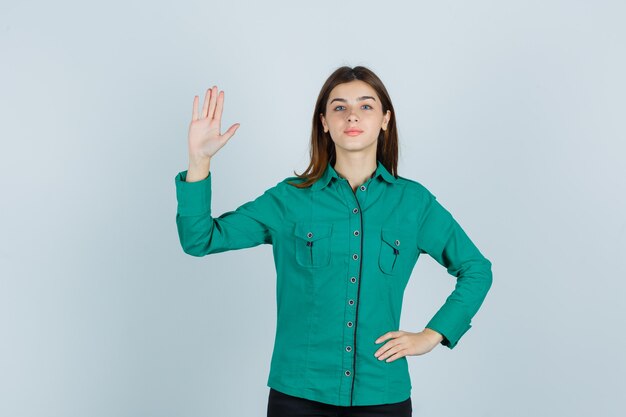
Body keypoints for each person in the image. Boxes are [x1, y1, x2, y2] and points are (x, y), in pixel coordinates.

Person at [174, 65, 493, 417]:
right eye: (339, 107)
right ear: (324, 122)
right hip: (298, 395)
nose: (352, 115)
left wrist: (433, 335)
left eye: (366, 106)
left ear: (385, 120)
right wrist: (198, 160)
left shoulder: (414, 204)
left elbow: (476, 269)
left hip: (382, 395)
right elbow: (200, 239)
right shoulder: (289, 200)